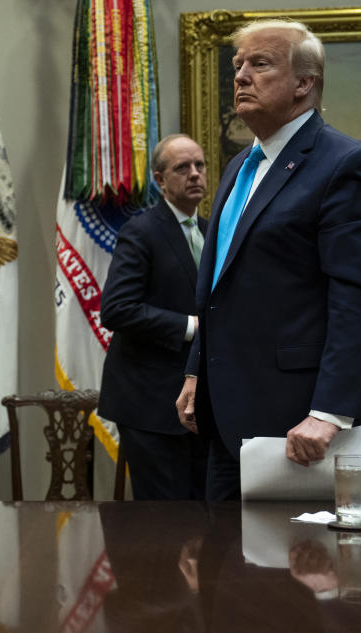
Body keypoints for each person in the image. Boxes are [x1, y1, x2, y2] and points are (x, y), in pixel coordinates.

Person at [175, 19, 361, 500]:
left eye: (260, 63)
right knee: (226, 568)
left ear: (304, 83)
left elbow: (359, 300)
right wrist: (197, 371)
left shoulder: (346, 165)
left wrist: (329, 413)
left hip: (307, 427)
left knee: (306, 571)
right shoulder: (239, 166)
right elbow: (219, 286)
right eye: (237, 66)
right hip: (227, 419)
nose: (240, 76)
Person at [98, 134, 209, 500]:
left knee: (210, 521)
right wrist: (190, 327)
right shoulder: (141, 231)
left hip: (204, 401)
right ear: (160, 180)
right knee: (164, 525)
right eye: (183, 168)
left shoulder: (214, 231)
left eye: (200, 165)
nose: (195, 174)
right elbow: (117, 308)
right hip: (150, 402)